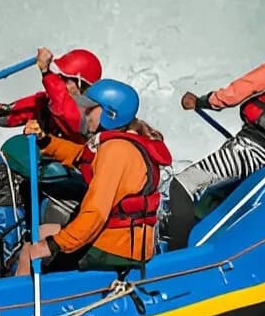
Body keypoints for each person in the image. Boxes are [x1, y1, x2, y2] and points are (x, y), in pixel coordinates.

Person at [167, 5, 265, 249]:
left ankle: (174, 258)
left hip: (251, 150)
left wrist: (199, 101)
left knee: (181, 186)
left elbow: (238, 91)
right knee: (214, 197)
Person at [17, 79, 172, 274]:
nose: (85, 113)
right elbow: (82, 156)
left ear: (110, 115)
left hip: (114, 249)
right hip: (120, 240)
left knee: (29, 251)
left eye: (90, 109)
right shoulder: (120, 144)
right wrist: (45, 140)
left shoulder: (116, 150)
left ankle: (17, 301)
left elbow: (95, 214)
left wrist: (53, 246)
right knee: (40, 232)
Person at [0, 47, 102, 163]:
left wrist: (47, 73)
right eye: (58, 76)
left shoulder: (96, 115)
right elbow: (6, 115)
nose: (59, 81)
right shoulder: (46, 102)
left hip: (77, 177)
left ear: (83, 86)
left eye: (65, 79)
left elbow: (67, 114)